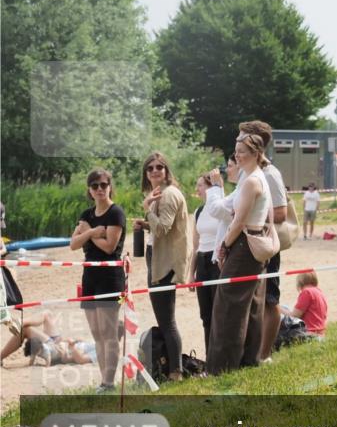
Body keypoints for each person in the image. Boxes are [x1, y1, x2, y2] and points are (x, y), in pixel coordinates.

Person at [207, 133, 273, 374]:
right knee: (252, 303)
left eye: (242, 150)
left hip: (244, 244)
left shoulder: (252, 181)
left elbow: (238, 221)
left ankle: (222, 366)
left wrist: (224, 245)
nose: (237, 154)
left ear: (256, 153)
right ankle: (248, 359)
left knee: (228, 304)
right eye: (236, 150)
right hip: (254, 244)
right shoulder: (257, 178)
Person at [67, 169, 126, 392]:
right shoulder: (87, 214)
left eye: (103, 184)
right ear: (89, 190)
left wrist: (87, 234)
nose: (99, 189)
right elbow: (73, 244)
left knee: (108, 333)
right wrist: (93, 233)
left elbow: (111, 247)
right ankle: (104, 381)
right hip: (90, 275)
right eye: (95, 186)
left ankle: (108, 383)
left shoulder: (116, 213)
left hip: (110, 276)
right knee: (96, 333)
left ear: (110, 186)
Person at [238, 120, 289, 363]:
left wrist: (253, 212)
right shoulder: (245, 171)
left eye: (242, 136)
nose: (237, 140)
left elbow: (281, 213)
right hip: (247, 244)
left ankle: (265, 354)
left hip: (266, 244)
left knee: (270, 300)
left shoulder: (270, 174)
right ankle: (250, 353)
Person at [136, 154, 189, 382]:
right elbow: (160, 229)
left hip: (164, 263)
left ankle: (176, 372)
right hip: (159, 257)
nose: (155, 171)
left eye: (160, 167)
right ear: (146, 173)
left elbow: (163, 229)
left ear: (167, 171)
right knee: (166, 320)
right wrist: (146, 223)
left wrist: (147, 209)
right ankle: (172, 369)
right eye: (150, 168)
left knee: (167, 321)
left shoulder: (167, 195)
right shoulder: (160, 193)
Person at [188, 174, 222, 351]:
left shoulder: (221, 207)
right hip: (202, 262)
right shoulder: (198, 211)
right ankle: (210, 356)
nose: (197, 189)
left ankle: (220, 355)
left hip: (217, 261)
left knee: (219, 313)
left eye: (200, 185)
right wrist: (190, 274)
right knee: (205, 314)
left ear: (210, 187)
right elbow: (195, 245)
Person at [282, 271, 328, 336]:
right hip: (320, 332)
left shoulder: (307, 292)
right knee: (285, 308)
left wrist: (278, 309)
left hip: (309, 332)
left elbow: (294, 316)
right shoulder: (319, 291)